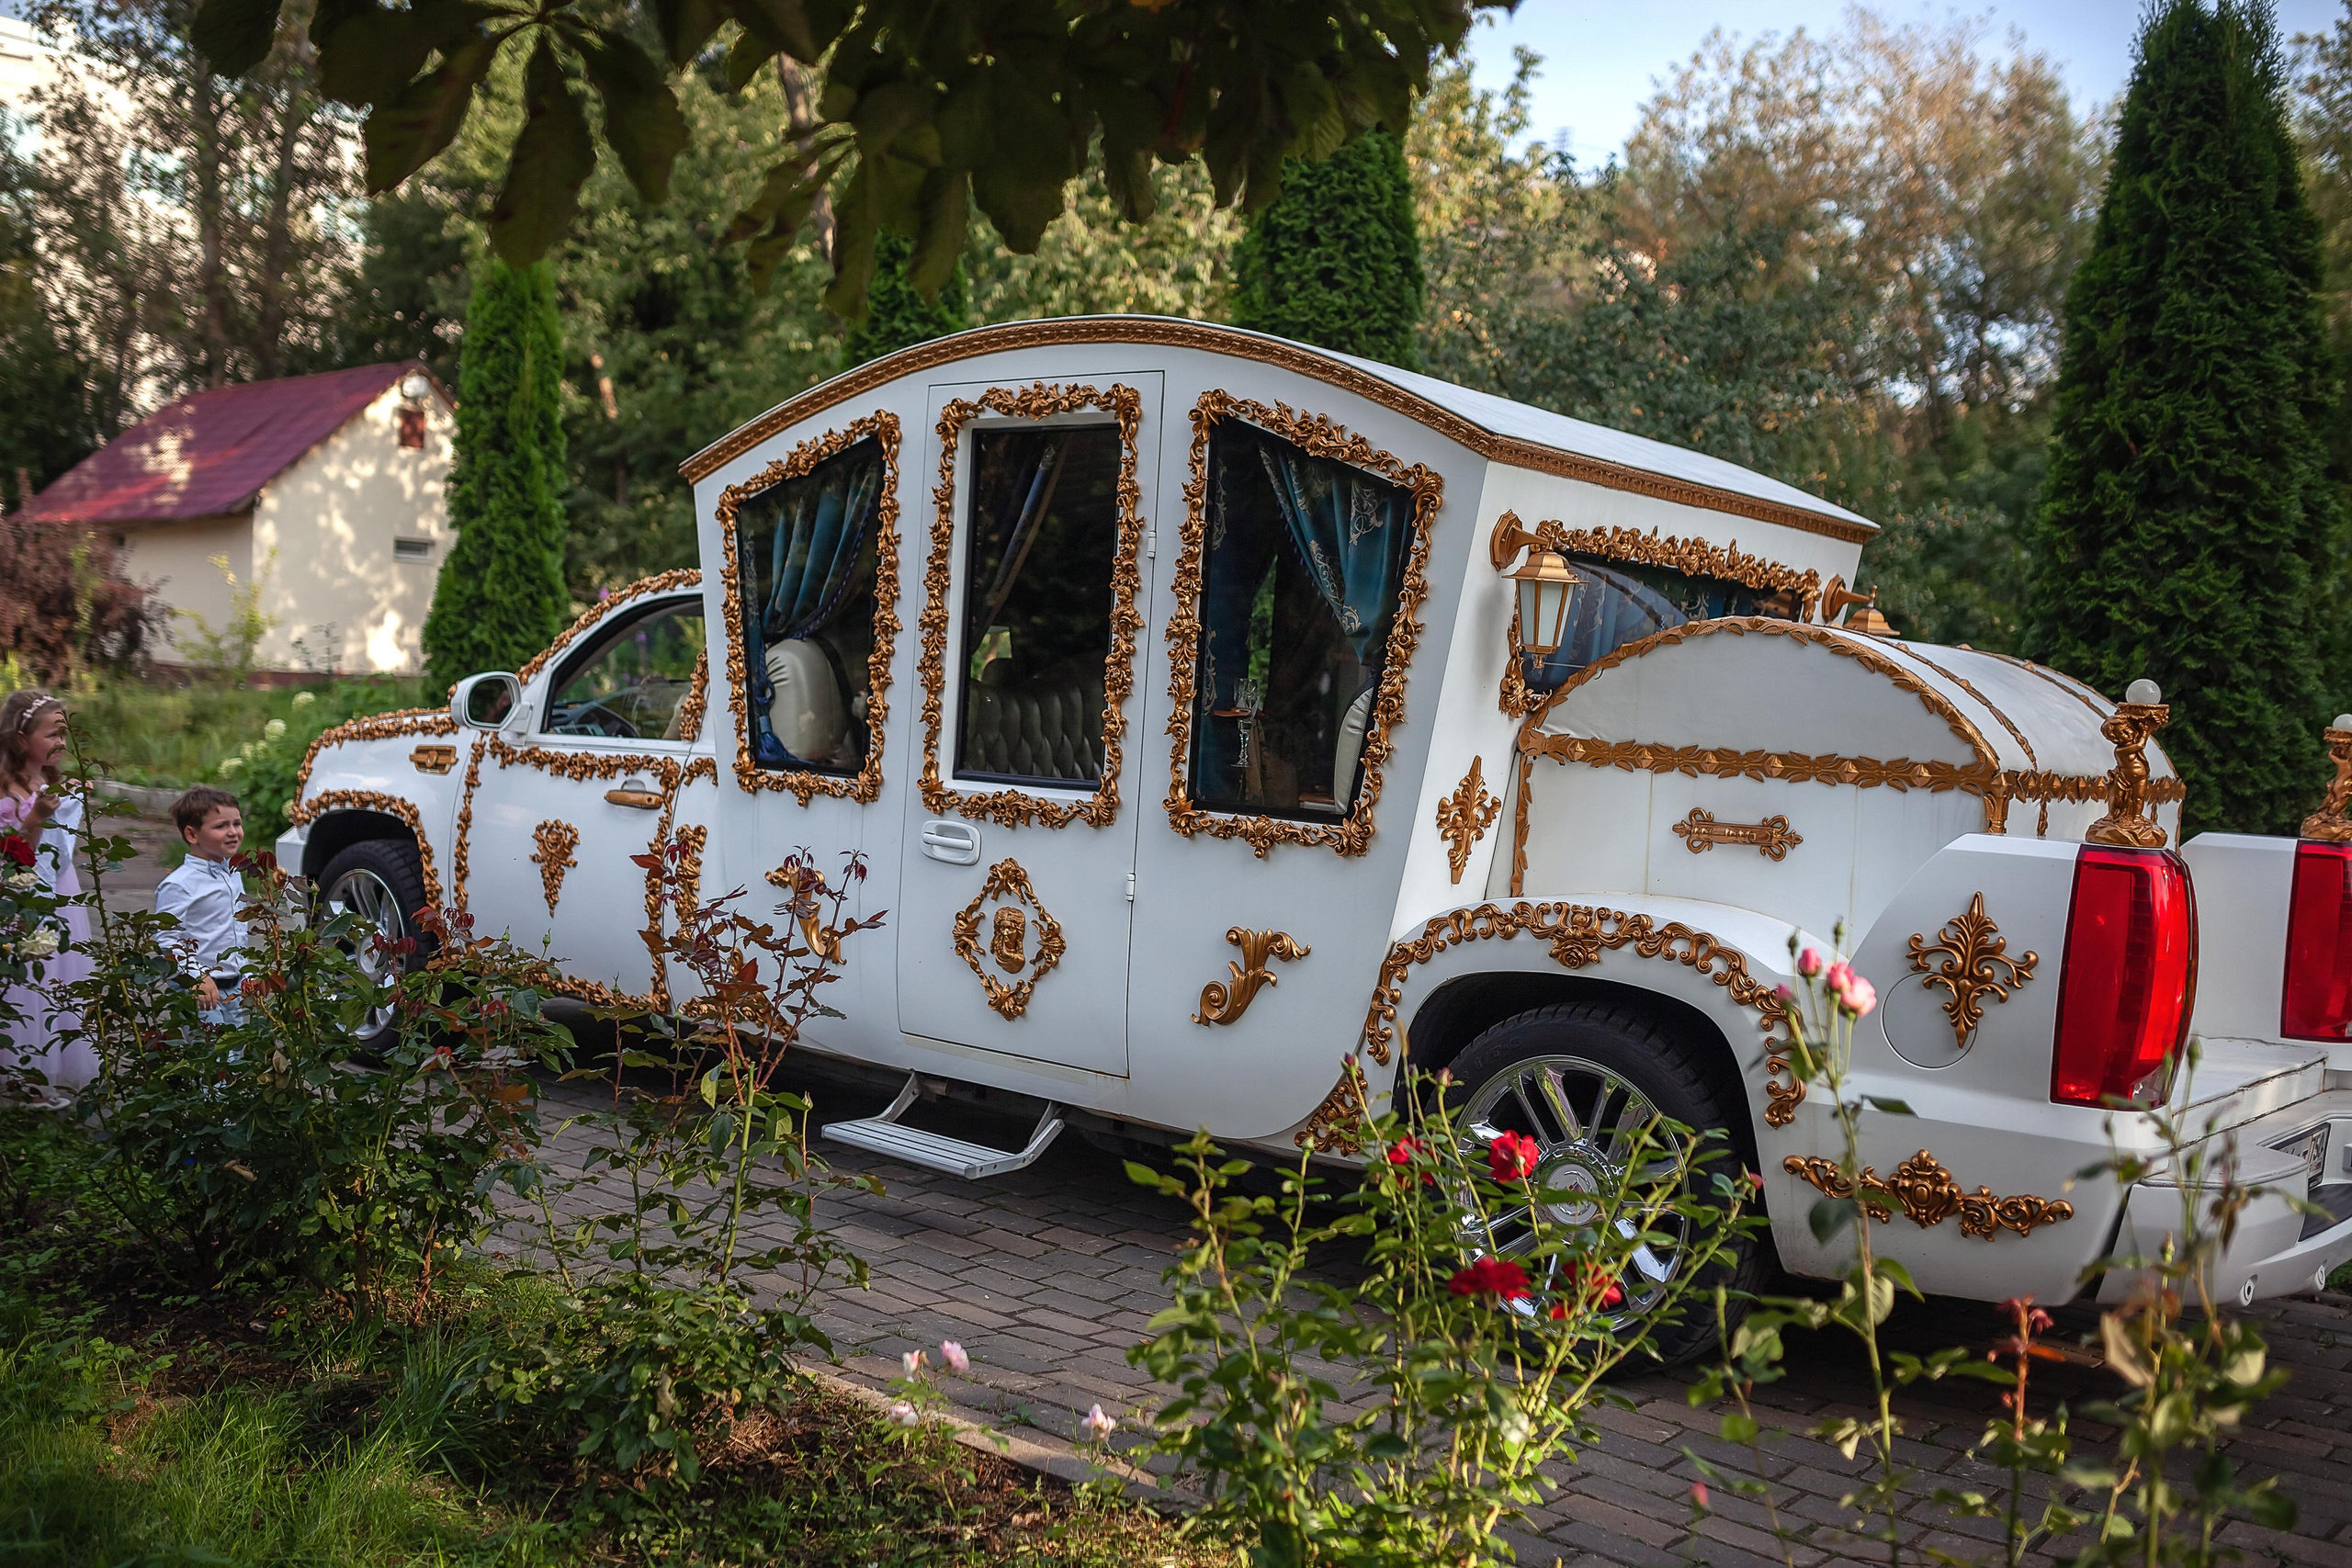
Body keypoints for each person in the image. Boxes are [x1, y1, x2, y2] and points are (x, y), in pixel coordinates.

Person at [0, 689, 96, 1098]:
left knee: (60, 975)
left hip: (61, 893)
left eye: (65, 734)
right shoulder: (7, 792)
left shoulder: (48, 784)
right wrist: (36, 818)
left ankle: (50, 1071)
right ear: (22, 738)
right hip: (21, 898)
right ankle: (19, 1076)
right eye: (53, 734)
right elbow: (13, 854)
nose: (62, 743)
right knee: (24, 983)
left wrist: (72, 801)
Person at [154, 785, 252, 1026]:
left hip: (235, 985)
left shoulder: (233, 872)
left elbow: (237, 930)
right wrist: (197, 976)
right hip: (201, 989)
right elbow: (167, 939)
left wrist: (247, 973)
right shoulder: (179, 884)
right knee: (210, 1056)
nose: (233, 832)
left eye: (236, 824)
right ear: (192, 835)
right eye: (221, 826)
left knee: (237, 1054)